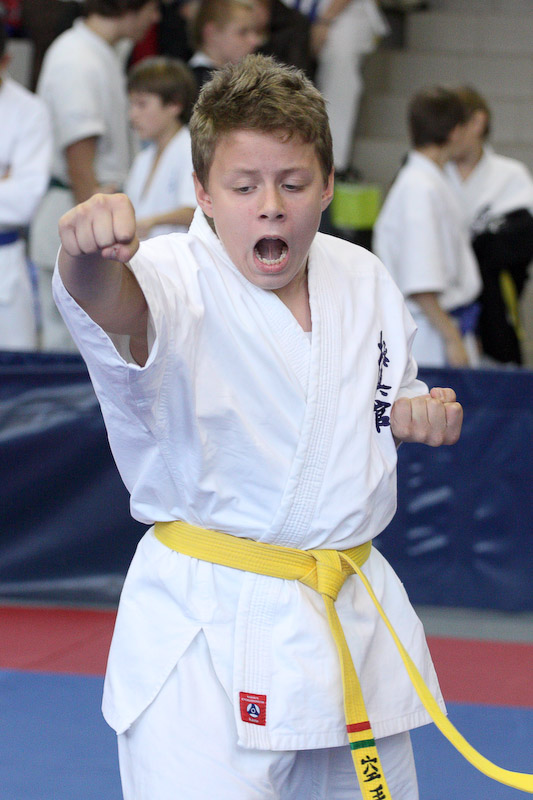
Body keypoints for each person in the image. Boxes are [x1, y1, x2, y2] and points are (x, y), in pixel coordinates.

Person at [54, 55, 463, 799]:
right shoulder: (174, 275)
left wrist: (416, 412)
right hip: (206, 634)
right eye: (243, 187)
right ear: (203, 192)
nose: (270, 206)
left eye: (293, 184)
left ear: (328, 183)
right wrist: (84, 253)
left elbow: (383, 396)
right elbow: (111, 302)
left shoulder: (363, 277)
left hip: (345, 622)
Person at [29, 0, 161, 352]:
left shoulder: (101, 51)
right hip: (81, 215)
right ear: (129, 6)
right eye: (152, 7)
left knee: (102, 349)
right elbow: (79, 161)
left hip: (96, 214)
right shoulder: (76, 57)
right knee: (74, 354)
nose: (156, 17)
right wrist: (97, 238)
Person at [373, 86, 482, 368]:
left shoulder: (429, 180)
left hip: (439, 325)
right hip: (430, 337)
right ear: (456, 131)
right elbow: (420, 280)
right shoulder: (418, 188)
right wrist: (452, 338)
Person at [445, 86, 533, 366]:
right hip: (439, 310)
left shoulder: (511, 176)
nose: (446, 135)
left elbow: (520, 244)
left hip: (493, 312)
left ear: (477, 122)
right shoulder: (429, 175)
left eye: (453, 125)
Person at [279, 0, 389, 175]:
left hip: (342, 11)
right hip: (289, 9)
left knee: (341, 53)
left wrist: (324, 21)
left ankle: (332, 163)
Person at [0, 18, 52, 350]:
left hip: (4, 261)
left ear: (5, 61)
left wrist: (13, 185)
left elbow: (23, 201)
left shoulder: (29, 111)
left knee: (13, 371)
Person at [126, 56, 197, 239]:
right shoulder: (143, 158)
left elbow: (197, 210)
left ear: (174, 104)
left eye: (141, 104)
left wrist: (153, 221)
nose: (133, 115)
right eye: (131, 104)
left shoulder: (191, 150)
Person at [188, 0, 261, 90]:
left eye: (256, 31)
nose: (254, 41)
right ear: (212, 33)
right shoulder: (194, 84)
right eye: (243, 32)